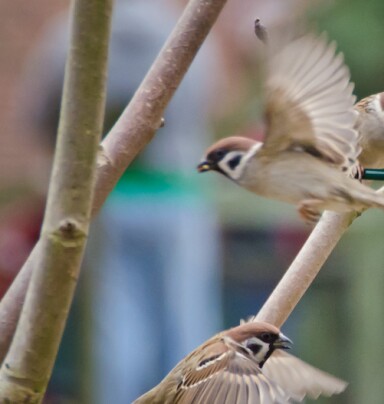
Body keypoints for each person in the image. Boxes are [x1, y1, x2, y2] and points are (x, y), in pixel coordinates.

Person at [22, 1, 222, 402]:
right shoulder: (175, 27)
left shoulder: (68, 35)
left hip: (110, 197)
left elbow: (38, 111)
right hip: (176, 195)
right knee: (188, 324)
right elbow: (205, 96)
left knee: (119, 328)